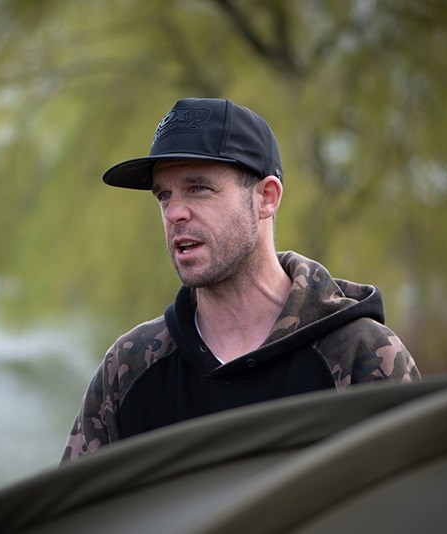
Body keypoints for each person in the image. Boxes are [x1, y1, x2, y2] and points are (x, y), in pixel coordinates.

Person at [61, 98, 420, 463]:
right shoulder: (129, 367)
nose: (174, 213)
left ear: (267, 198)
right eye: (164, 195)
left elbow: (416, 492)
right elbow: (80, 499)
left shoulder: (361, 352)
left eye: (198, 188)